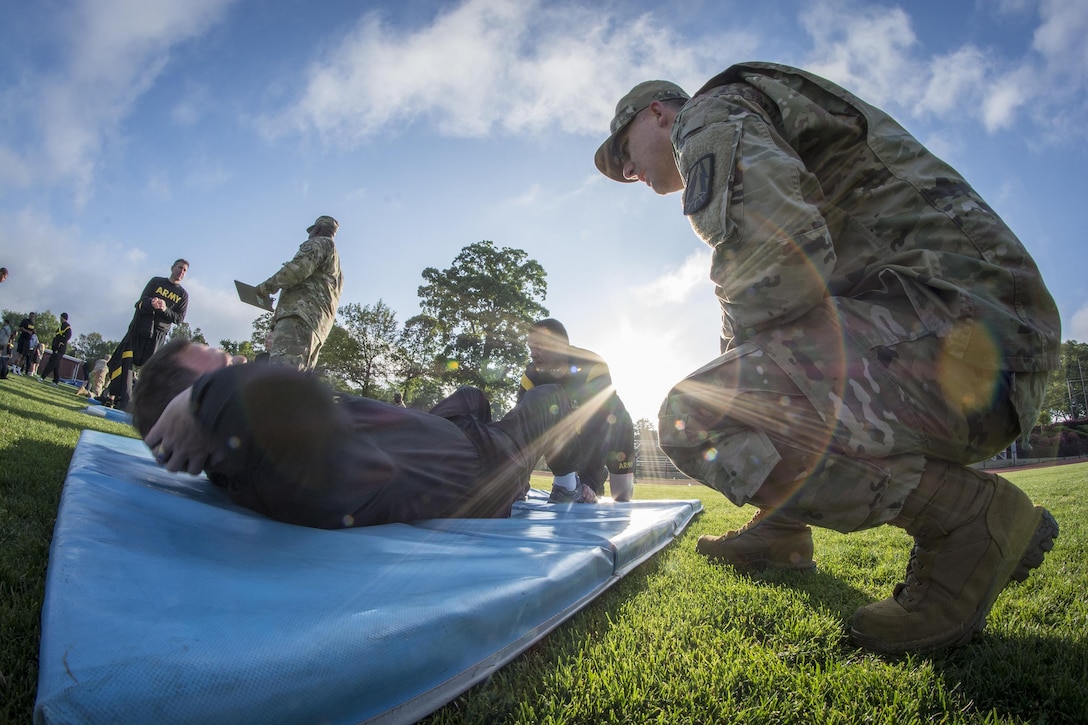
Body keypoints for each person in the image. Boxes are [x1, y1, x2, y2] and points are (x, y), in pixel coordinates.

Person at [595, 62, 1060, 654]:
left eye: (623, 150)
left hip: (960, 335)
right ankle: (782, 530)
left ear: (658, 113)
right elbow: (770, 301)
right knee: (739, 369)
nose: (628, 170)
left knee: (696, 414)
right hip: (975, 346)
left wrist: (744, 387)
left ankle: (969, 517)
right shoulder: (754, 114)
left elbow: (781, 256)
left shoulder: (705, 116)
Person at [130, 339, 582, 529]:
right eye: (216, 360)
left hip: (446, 438)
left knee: (470, 394)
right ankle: (568, 484)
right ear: (192, 405)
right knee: (546, 398)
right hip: (488, 469)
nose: (231, 358)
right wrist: (203, 398)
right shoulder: (275, 459)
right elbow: (288, 394)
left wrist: (207, 397)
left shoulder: (254, 447)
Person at [519, 319, 635, 503]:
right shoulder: (531, 375)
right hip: (576, 432)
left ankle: (599, 475)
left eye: (539, 346)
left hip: (615, 429)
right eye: (530, 347)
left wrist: (590, 481)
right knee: (582, 497)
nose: (532, 354)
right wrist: (518, 482)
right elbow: (521, 427)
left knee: (621, 500)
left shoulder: (591, 365)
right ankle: (590, 478)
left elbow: (600, 425)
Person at [254, 215, 343, 371]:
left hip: (298, 318)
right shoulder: (337, 270)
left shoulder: (318, 243)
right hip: (316, 327)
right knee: (294, 383)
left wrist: (264, 288)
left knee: (279, 378)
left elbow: (296, 270)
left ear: (317, 229)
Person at [101, 259, 189, 409]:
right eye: (180, 268)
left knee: (148, 369)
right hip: (139, 328)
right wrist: (151, 302)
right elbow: (140, 302)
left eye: (185, 270)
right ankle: (120, 398)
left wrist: (164, 309)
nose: (181, 271)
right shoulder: (156, 282)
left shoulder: (183, 295)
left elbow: (179, 319)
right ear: (172, 267)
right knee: (125, 362)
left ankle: (141, 404)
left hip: (158, 334)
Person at [38, 312, 72, 385]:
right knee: (56, 365)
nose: (60, 318)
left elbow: (68, 336)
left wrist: (62, 342)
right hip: (56, 348)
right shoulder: (60, 327)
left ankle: (42, 377)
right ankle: (56, 381)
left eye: (61, 317)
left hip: (60, 349)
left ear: (64, 318)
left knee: (51, 363)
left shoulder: (67, 327)